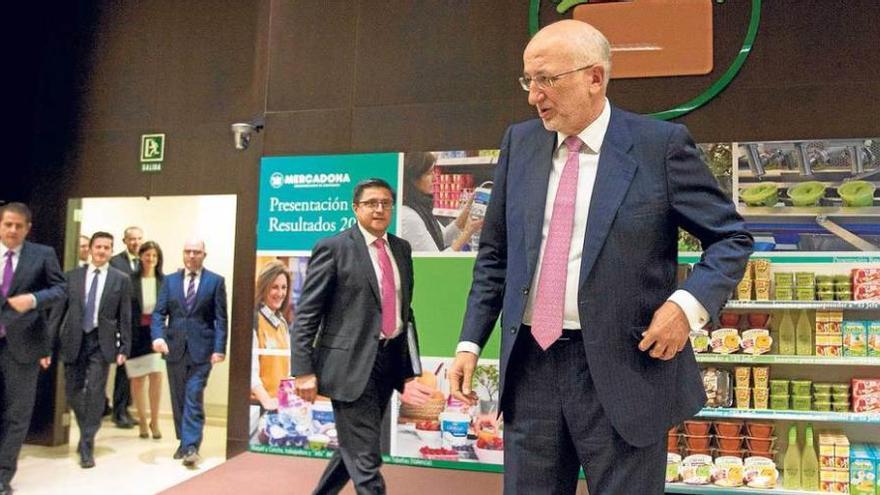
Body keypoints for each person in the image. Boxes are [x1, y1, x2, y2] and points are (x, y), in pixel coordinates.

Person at [447, 20, 754, 494]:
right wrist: (470, 342)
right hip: (531, 368)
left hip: (626, 370)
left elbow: (730, 238)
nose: (534, 95)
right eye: (529, 80)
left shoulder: (659, 147)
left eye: (548, 79)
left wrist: (686, 307)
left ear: (595, 77)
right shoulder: (521, 143)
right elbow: (495, 255)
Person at [291, 178, 433, 495]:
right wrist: (303, 369)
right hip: (348, 366)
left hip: (387, 363)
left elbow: (405, 314)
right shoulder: (334, 248)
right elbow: (307, 313)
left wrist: (410, 372)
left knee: (353, 448)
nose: (379, 208)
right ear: (356, 208)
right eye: (371, 203)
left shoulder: (401, 248)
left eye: (385, 202)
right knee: (367, 460)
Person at [0, 202, 66, 495]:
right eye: (7, 224)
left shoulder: (43, 255)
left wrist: (34, 299)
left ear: (28, 228)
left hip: (24, 347)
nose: (12, 230)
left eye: (18, 226)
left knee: (17, 414)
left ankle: (2, 476)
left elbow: (61, 289)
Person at [52, 232, 132, 468]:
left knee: (96, 392)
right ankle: (87, 428)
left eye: (107, 248)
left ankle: (87, 443)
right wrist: (49, 344)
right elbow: (58, 313)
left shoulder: (121, 279)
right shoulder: (71, 277)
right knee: (73, 390)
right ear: (90, 249)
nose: (102, 251)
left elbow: (125, 316)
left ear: (111, 250)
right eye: (98, 247)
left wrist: (124, 346)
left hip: (102, 341)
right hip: (74, 339)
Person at [151, 239, 227, 467]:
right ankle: (184, 442)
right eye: (188, 251)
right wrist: (158, 337)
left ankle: (191, 446)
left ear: (205, 254)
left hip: (202, 351)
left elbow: (221, 319)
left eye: (197, 252)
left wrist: (219, 348)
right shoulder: (170, 281)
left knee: (193, 395)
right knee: (179, 398)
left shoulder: (215, 281)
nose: (192, 255)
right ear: (183, 254)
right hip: (173, 348)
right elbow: (158, 313)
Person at [399, 152, 483, 252]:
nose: (435, 178)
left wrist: (467, 209)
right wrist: (467, 233)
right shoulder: (409, 216)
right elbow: (436, 261)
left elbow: (442, 237)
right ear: (414, 178)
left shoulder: (421, 208)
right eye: (429, 173)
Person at [127, 241, 165, 439]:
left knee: (157, 377)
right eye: (147, 255)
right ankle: (142, 420)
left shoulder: (164, 281)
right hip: (135, 335)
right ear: (140, 256)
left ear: (158, 259)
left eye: (154, 256)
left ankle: (155, 421)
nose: (151, 259)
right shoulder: (129, 280)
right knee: (138, 380)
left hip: (156, 334)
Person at [108, 225, 144, 429]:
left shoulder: (146, 262)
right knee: (123, 370)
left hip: (141, 326)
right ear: (124, 241)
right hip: (123, 324)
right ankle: (118, 411)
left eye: (139, 238)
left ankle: (126, 409)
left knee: (134, 370)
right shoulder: (115, 262)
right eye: (132, 239)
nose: (136, 242)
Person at [251, 260, 291, 411]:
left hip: (279, 405)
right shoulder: (254, 321)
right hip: (259, 405)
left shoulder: (282, 323)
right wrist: (266, 401)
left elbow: (287, 370)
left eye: (284, 287)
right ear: (264, 287)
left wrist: (287, 402)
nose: (280, 293)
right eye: (274, 287)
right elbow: (251, 372)